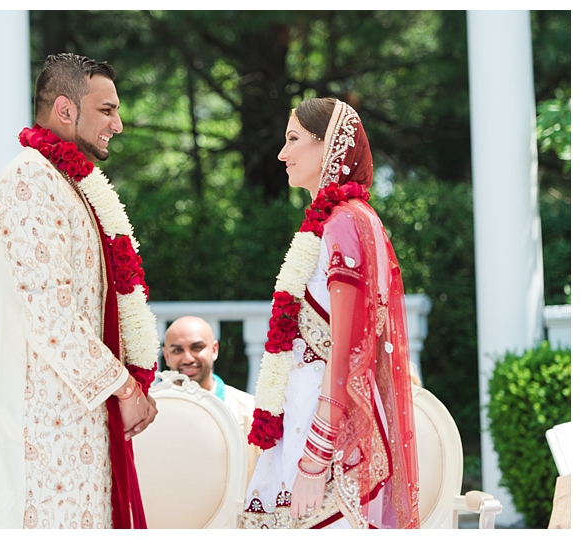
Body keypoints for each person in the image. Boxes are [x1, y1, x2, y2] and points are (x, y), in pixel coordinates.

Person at [0, 53, 159, 529]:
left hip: (77, 416)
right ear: (65, 109)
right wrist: (124, 387)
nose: (119, 123)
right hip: (41, 424)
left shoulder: (65, 183)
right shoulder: (29, 182)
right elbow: (51, 316)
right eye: (107, 109)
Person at [239, 98, 419, 529]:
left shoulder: (343, 222)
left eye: (293, 139)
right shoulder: (346, 219)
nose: (282, 153)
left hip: (321, 417)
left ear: (330, 146)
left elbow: (348, 349)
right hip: (315, 406)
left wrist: (315, 459)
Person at [162, 316, 262, 481]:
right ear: (166, 356)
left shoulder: (249, 408)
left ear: (214, 349)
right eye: (177, 350)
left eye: (197, 347)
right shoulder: (152, 410)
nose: (188, 358)